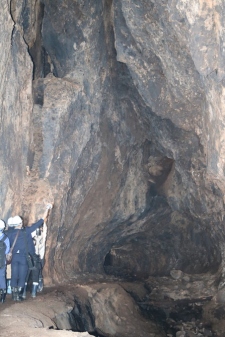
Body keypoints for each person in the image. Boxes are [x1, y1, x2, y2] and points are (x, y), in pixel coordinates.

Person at [6, 204, 52, 301]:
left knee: (14, 275)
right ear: (20, 223)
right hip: (24, 257)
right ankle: (18, 295)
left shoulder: (9, 233)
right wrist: (47, 210)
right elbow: (40, 222)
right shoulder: (26, 231)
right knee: (22, 276)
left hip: (14, 257)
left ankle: (14, 295)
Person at [0, 220, 10, 303]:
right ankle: (2, 297)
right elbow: (7, 251)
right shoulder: (6, 238)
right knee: (2, 278)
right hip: (2, 262)